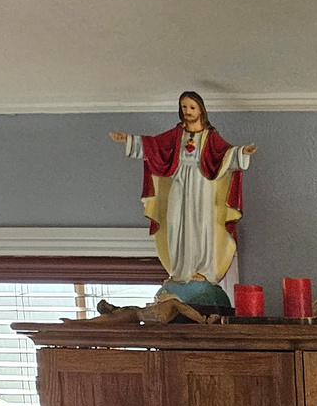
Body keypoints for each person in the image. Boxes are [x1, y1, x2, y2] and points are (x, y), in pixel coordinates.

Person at [109, 92, 256, 284]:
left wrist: (241, 152)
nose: (187, 111)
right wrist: (129, 140)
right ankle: (179, 271)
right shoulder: (176, 135)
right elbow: (154, 146)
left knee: (202, 225)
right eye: (184, 107)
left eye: (192, 107)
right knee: (174, 222)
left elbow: (225, 154)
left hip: (203, 185)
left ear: (201, 110)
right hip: (178, 183)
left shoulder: (210, 136)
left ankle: (203, 271)